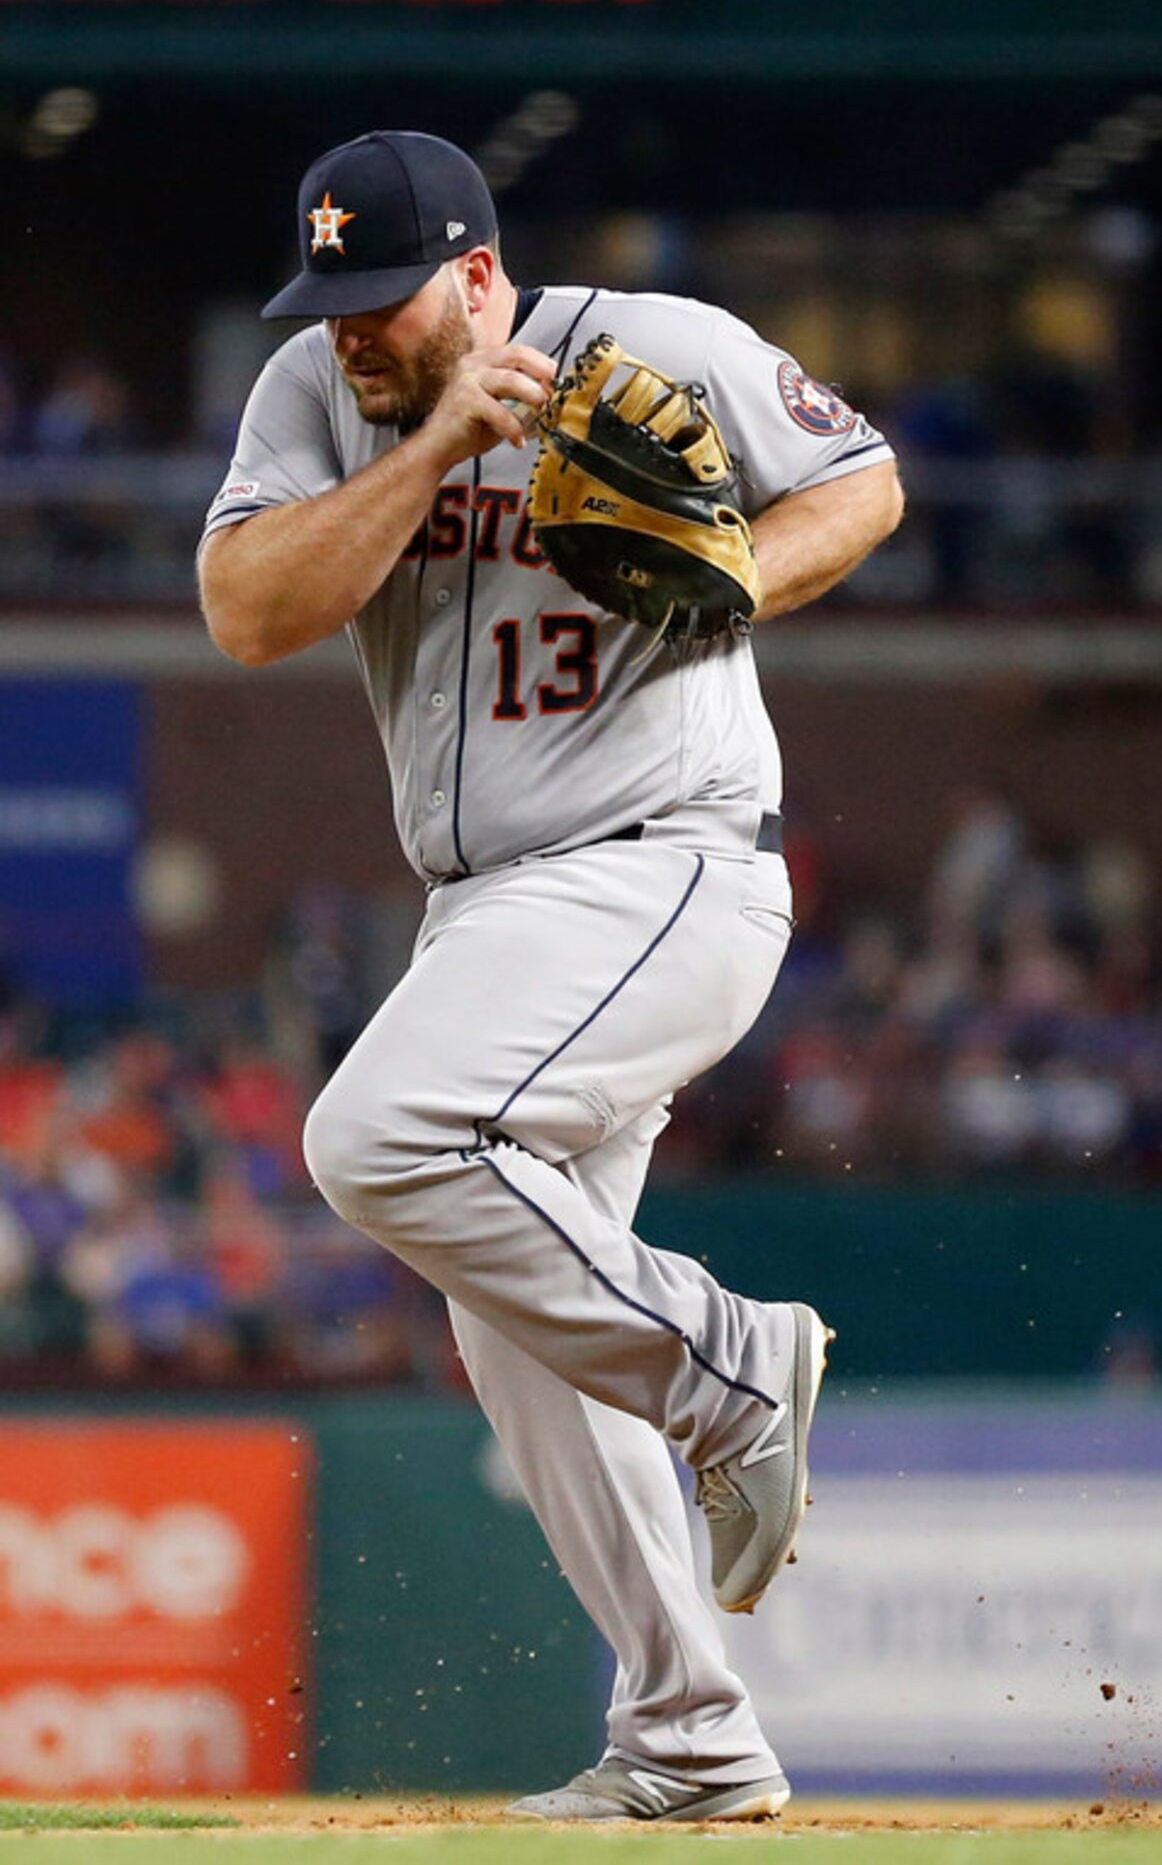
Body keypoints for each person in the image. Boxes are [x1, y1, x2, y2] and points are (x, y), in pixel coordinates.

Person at [197, 131, 903, 1822]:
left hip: (665, 856)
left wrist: (740, 571)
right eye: (336, 296)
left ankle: (730, 1370)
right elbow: (243, 607)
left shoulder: (659, 347)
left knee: (372, 1140)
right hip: (492, 909)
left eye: (388, 299)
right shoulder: (322, 390)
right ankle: (691, 1738)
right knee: (513, 1311)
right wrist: (435, 436)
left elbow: (863, 481)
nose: (355, 329)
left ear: (481, 273)